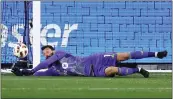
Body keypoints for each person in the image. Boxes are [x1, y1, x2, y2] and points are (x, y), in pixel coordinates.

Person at [12, 45, 168, 78]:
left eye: (47, 50)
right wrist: (24, 72)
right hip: (94, 72)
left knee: (125, 55)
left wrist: (30, 70)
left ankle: (156, 54)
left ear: (52, 50)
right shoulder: (54, 70)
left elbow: (43, 65)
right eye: (43, 51)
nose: (46, 52)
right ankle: (138, 70)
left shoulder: (59, 53)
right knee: (113, 71)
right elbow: (42, 72)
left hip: (95, 59)